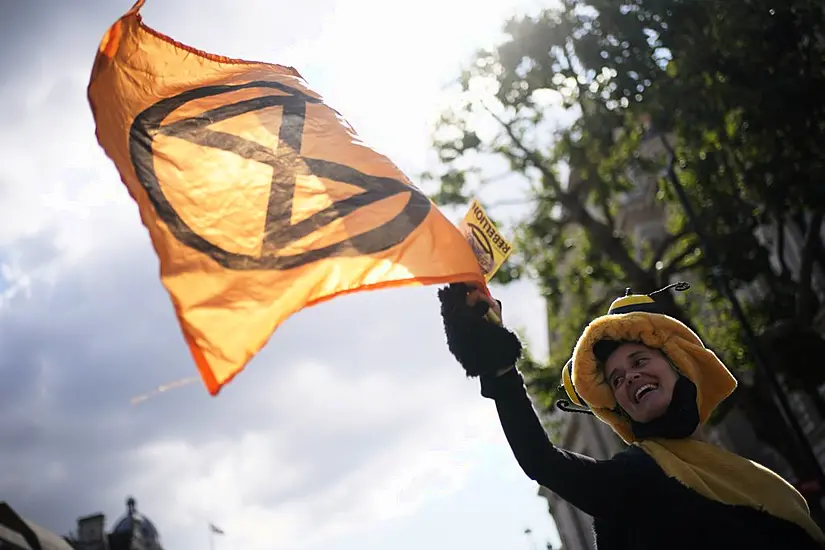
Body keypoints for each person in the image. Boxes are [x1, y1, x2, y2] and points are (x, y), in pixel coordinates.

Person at [437, 281, 825, 549]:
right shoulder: (635, 477)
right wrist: (498, 365)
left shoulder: (756, 476)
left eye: (639, 360)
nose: (630, 377)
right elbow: (543, 461)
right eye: (617, 379)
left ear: (678, 366)